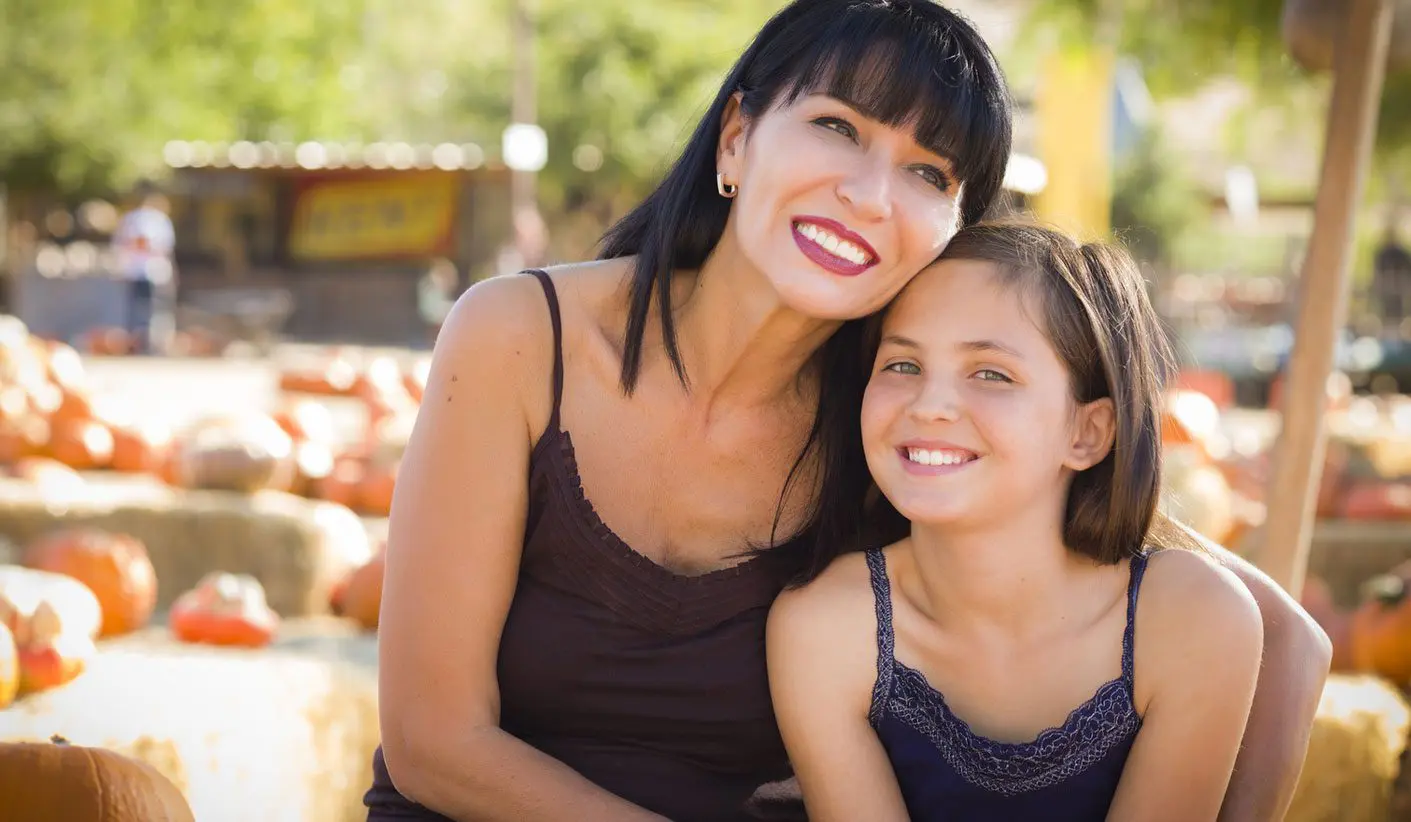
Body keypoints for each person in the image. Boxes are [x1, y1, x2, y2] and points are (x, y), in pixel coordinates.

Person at [366, 2, 1330, 821]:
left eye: (928, 174)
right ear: (737, 136)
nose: (871, 194)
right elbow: (432, 741)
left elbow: (1282, 642)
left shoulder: (905, 419)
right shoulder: (519, 337)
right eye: (837, 127)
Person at [767, 222, 1267, 821]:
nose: (929, 404)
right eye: (902, 364)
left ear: (1088, 433)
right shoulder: (826, 627)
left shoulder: (1191, 618)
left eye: (990, 374)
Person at [112, 181, 177, 354]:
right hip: (144, 271)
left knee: (145, 310)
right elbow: (142, 241)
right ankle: (140, 345)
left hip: (147, 271)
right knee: (142, 310)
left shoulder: (139, 219)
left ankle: (143, 344)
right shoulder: (147, 219)